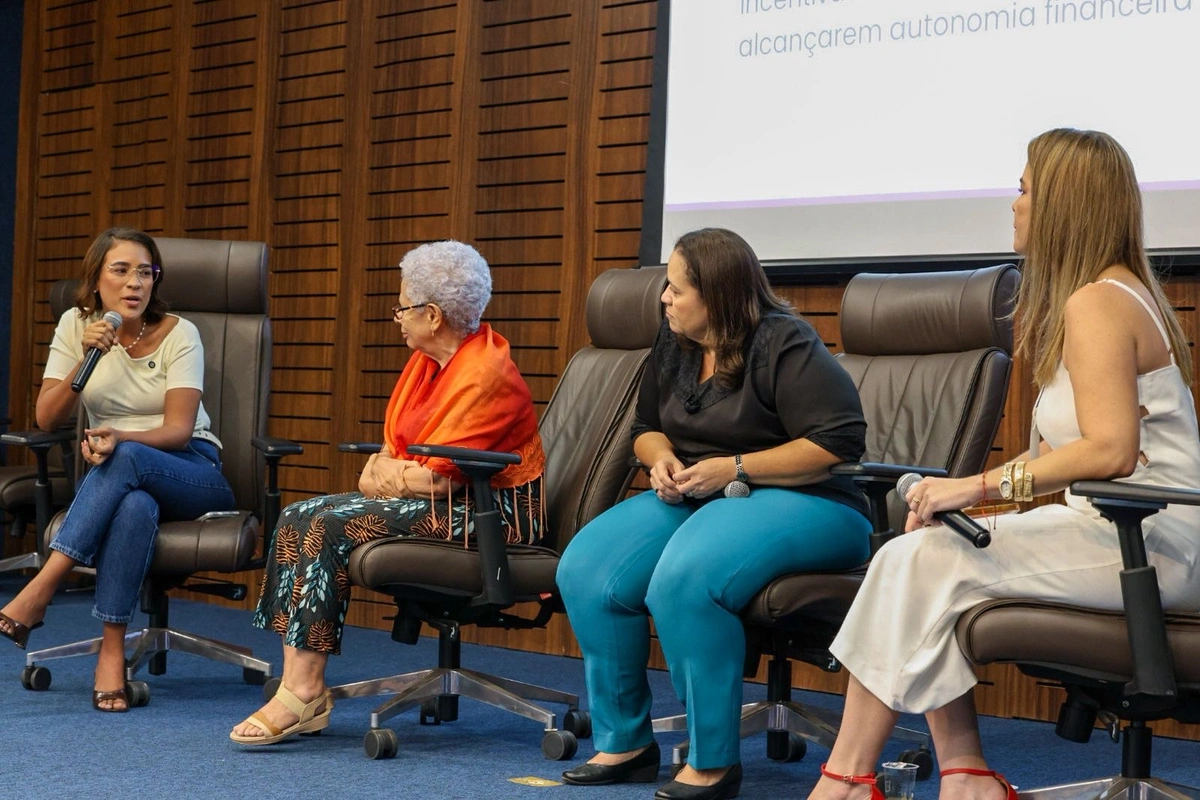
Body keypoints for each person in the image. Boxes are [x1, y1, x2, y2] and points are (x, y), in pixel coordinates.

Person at [808, 128, 1200, 800]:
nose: (1013, 203)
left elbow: (1111, 451)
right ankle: (964, 776)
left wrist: (975, 486)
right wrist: (965, 496)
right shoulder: (1104, 295)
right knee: (924, 557)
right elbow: (1053, 455)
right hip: (1118, 533)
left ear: (1062, 204)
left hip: (1150, 545)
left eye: (1024, 190)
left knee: (916, 561)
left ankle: (850, 782)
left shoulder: (1099, 302)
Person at [556, 227, 873, 800]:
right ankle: (626, 743)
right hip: (700, 494)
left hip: (813, 502)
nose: (664, 298)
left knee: (685, 579)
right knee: (587, 568)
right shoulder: (675, 340)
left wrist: (736, 468)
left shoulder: (784, 341)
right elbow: (645, 427)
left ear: (718, 296)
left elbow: (836, 443)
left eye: (677, 289)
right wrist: (660, 459)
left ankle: (712, 760)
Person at [230, 240, 546, 745]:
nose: (396, 317)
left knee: (326, 523)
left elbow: (440, 480)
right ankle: (298, 684)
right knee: (298, 514)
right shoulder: (429, 362)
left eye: (402, 307)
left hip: (491, 515)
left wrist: (388, 472)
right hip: (438, 502)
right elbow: (398, 462)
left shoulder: (486, 375)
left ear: (432, 315)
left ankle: (303, 692)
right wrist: (396, 470)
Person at [0, 227, 236, 712]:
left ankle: (42, 586)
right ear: (96, 281)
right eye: (122, 271)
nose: (135, 283)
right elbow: (47, 418)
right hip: (122, 478)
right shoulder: (76, 325)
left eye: (146, 273)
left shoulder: (180, 333)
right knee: (133, 506)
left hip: (192, 469)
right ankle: (111, 652)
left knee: (127, 458)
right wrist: (86, 356)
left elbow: (178, 430)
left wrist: (121, 438)